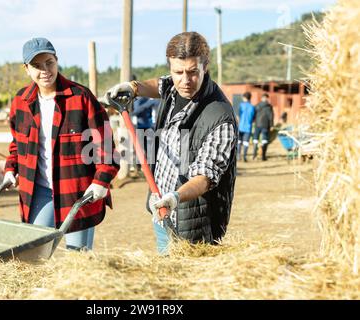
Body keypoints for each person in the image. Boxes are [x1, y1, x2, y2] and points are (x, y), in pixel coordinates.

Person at [102, 32, 238, 254]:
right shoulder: (173, 87)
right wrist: (133, 87)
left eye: (193, 72)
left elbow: (205, 176)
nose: (185, 80)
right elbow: (159, 84)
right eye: (178, 72)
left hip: (193, 222)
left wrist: (175, 197)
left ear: (206, 66)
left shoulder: (220, 116)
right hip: (160, 210)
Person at [3, 38, 120, 250]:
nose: (45, 70)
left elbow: (106, 147)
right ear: (26, 69)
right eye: (37, 66)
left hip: (77, 192)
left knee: (76, 259)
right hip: (39, 190)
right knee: (34, 251)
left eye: (49, 62)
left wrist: (101, 181)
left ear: (57, 60)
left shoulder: (81, 97)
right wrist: (11, 168)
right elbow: (17, 144)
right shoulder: (21, 100)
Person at [253, 93, 274, 161]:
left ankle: (254, 155)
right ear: (267, 98)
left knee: (255, 140)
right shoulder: (269, 107)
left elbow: (254, 115)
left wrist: (254, 121)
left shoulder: (257, 106)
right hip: (265, 125)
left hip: (257, 125)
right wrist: (271, 125)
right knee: (264, 140)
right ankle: (263, 156)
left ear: (262, 98)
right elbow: (271, 117)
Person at [237, 92, 256, 162]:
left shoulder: (241, 105)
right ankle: (244, 156)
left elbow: (238, 116)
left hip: (241, 126)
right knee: (246, 142)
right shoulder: (252, 107)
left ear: (244, 97)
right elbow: (254, 119)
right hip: (248, 127)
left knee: (239, 141)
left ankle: (238, 156)